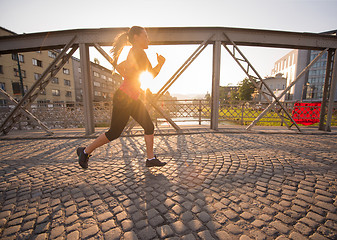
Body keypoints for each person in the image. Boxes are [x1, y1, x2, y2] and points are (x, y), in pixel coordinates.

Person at [77, 26, 166, 169]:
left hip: (132, 98)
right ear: (136, 38)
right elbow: (148, 74)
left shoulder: (138, 53)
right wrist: (159, 65)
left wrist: (157, 65)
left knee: (149, 126)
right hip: (125, 98)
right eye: (145, 36)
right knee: (114, 133)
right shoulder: (138, 53)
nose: (148, 39)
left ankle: (150, 158)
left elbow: (137, 71)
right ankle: (85, 151)